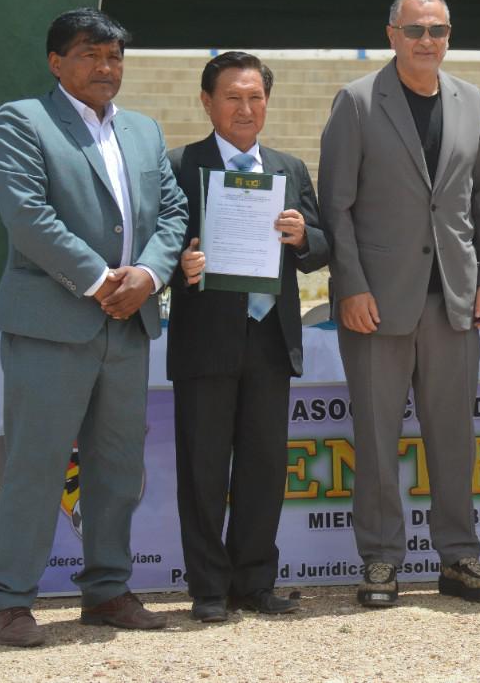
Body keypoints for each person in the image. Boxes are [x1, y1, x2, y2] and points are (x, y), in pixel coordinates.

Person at [0, 8, 187, 646]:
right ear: (55, 62)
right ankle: (11, 600)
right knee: (35, 466)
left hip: (128, 327)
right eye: (89, 55)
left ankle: (105, 591)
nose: (105, 68)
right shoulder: (23, 121)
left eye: (115, 57)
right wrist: (104, 282)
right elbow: (27, 216)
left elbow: (174, 215)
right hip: (54, 325)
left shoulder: (146, 132)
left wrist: (148, 279)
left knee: (118, 470)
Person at [318, 0, 480, 608]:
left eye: (439, 30)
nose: (429, 41)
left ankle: (460, 557)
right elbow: (336, 206)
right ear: (392, 33)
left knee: (453, 436)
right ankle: (380, 560)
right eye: (417, 29)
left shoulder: (472, 100)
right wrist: (350, 286)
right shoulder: (357, 101)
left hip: (454, 300)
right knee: (376, 437)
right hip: (377, 303)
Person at [167, 51, 329, 622]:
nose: (245, 107)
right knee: (204, 470)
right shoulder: (179, 165)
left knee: (264, 470)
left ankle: (255, 582)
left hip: (270, 339)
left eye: (255, 96)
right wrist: (180, 266)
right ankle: (209, 589)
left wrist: (302, 234)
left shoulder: (289, 167)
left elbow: (324, 247)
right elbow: (157, 246)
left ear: (268, 102)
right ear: (207, 102)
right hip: (205, 339)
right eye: (232, 97)